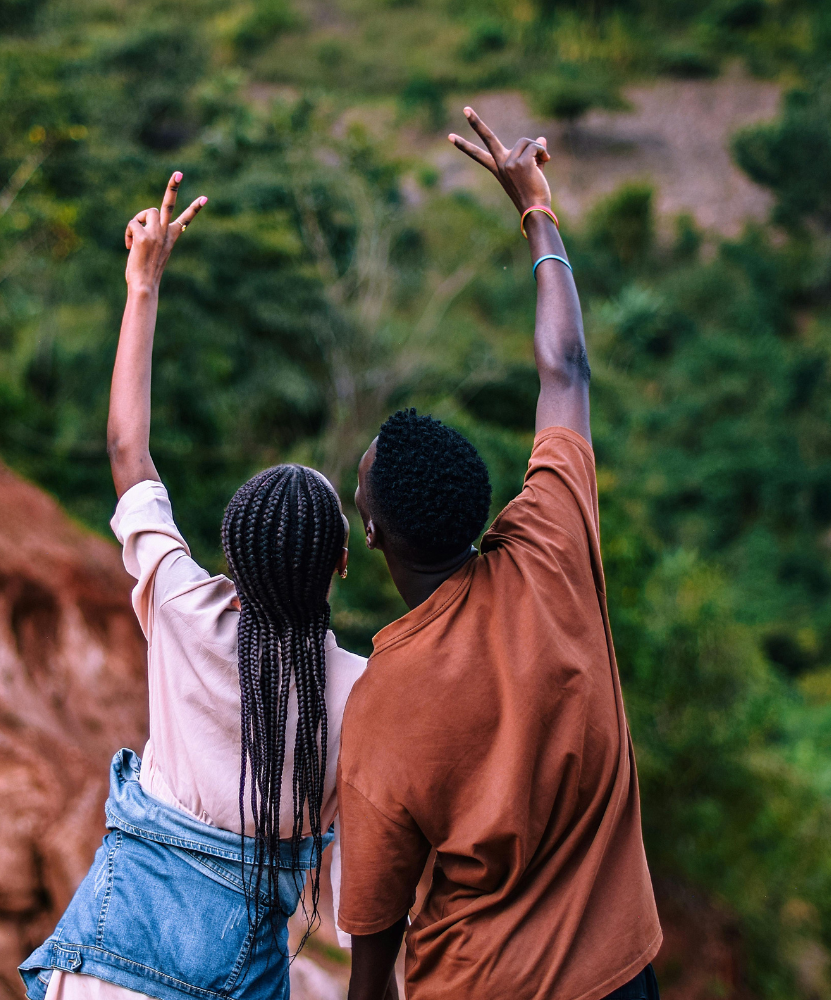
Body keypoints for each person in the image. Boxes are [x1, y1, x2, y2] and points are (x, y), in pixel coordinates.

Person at [337, 109, 662, 1000]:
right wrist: (536, 208)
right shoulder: (552, 544)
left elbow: (372, 952)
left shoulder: (384, 704)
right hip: (622, 976)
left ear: (373, 536)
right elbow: (566, 371)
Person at [19, 173, 366, 1000]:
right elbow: (362, 906)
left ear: (230, 562)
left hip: (103, 957)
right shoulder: (365, 692)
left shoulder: (182, 607)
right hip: (230, 978)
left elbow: (127, 452)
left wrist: (144, 284)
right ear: (343, 566)